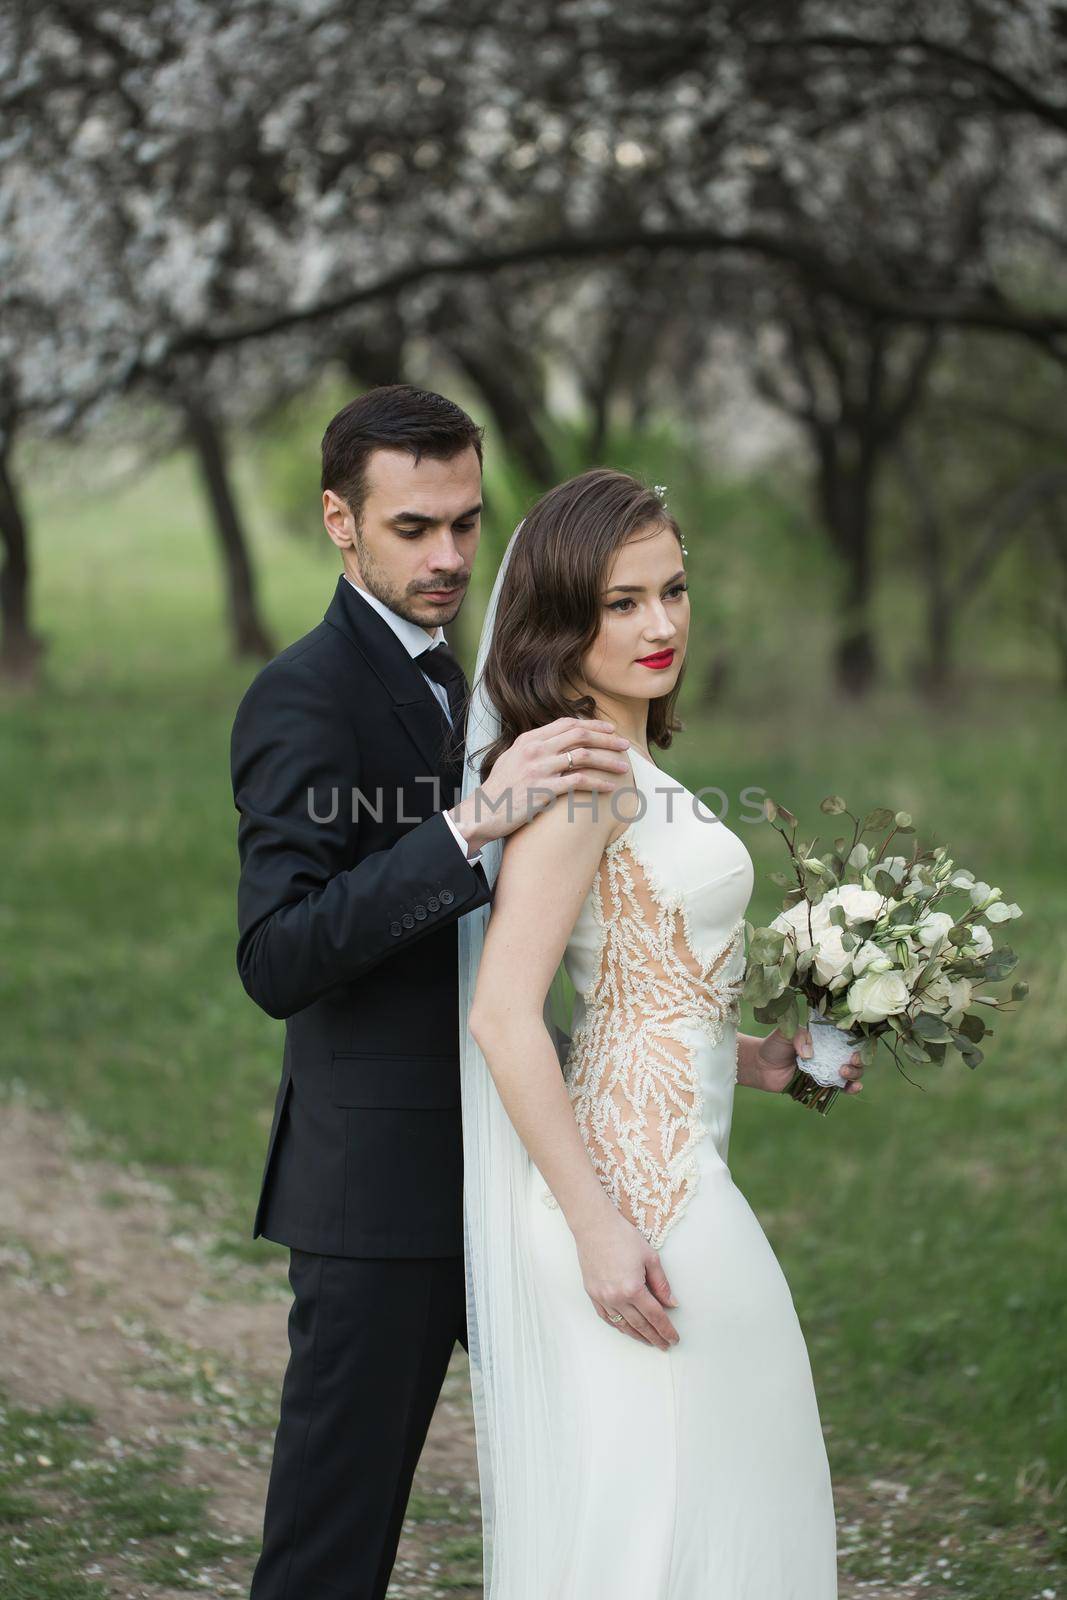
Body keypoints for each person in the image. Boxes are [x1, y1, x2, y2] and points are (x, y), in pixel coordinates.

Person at [229, 386, 642, 1599]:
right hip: (378, 1196)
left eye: (467, 521)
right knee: (329, 1548)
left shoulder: (461, 678)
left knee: (588, 1480)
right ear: (339, 522)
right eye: (414, 527)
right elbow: (278, 955)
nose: (452, 555)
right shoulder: (301, 694)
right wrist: (469, 824)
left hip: (509, 1163)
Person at [458, 468, 861, 1598]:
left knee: (709, 1497)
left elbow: (628, 993)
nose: (660, 623)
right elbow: (501, 1013)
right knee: (673, 1515)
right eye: (620, 602)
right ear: (560, 621)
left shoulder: (627, 764)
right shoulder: (581, 773)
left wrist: (760, 1059)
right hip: (636, 1208)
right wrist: (596, 1227)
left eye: (671, 589)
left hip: (673, 1178)